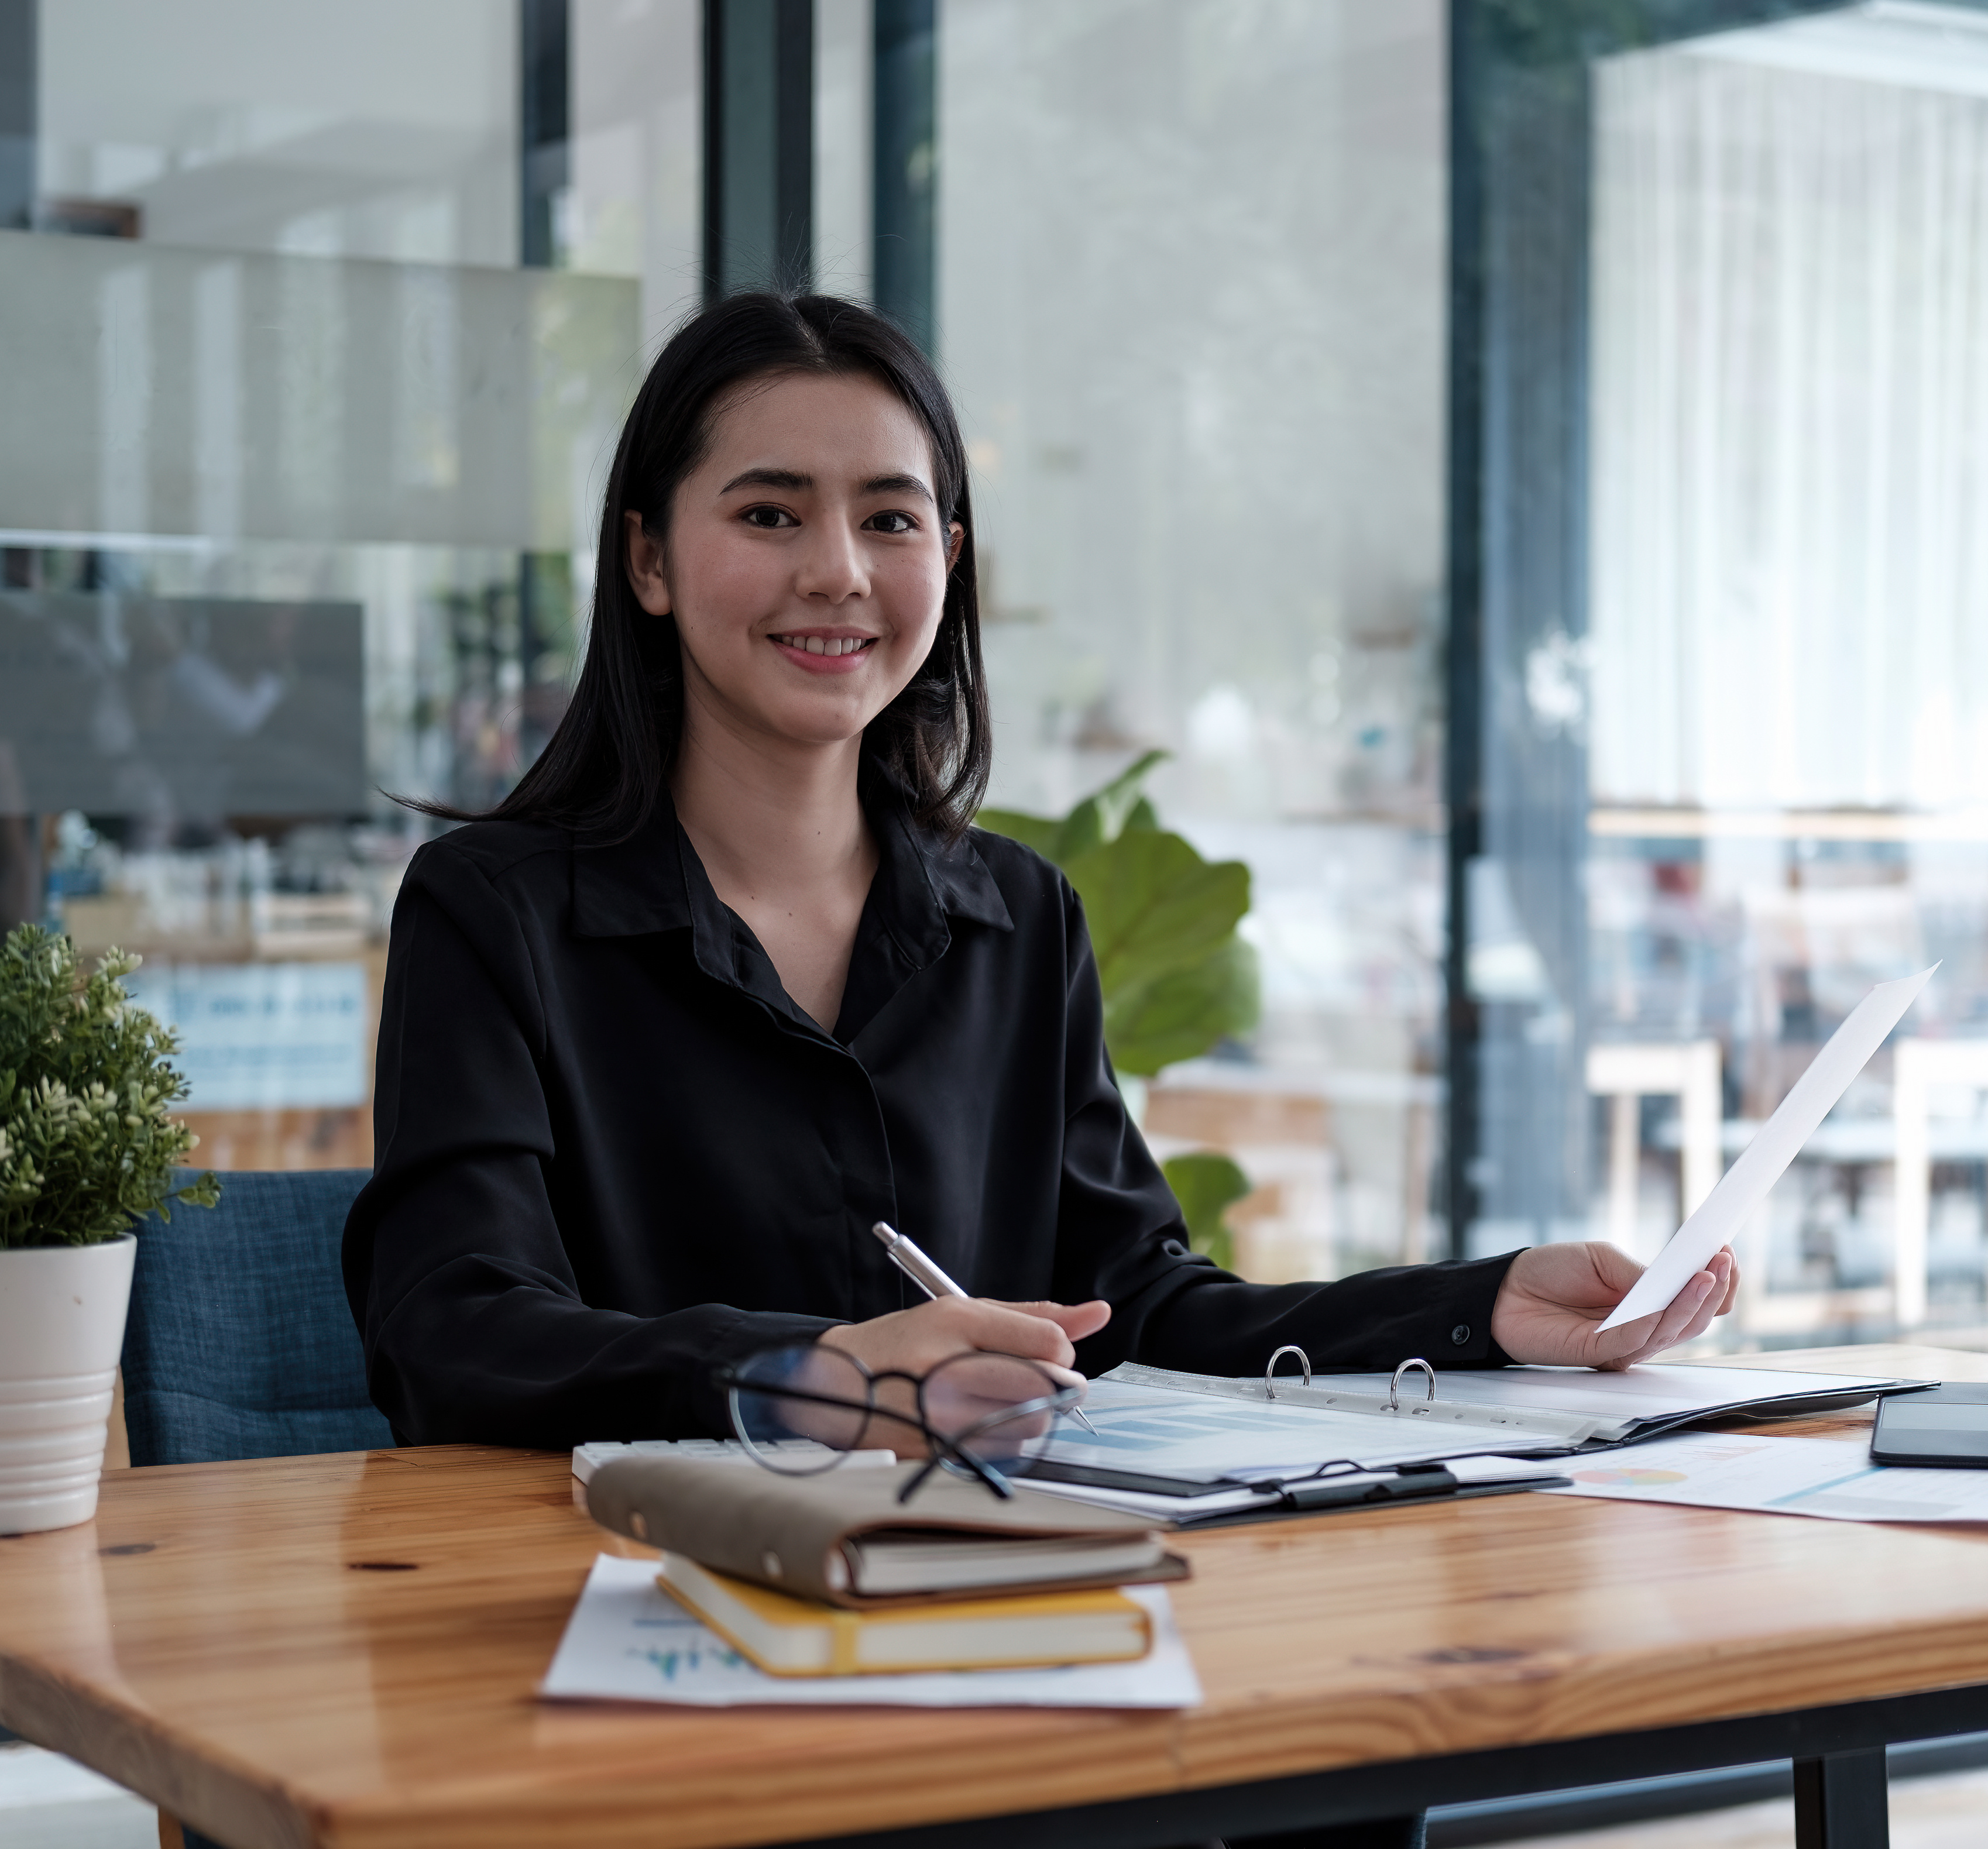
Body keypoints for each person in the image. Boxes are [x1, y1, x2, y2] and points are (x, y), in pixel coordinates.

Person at [341, 288, 1736, 1849]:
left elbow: (1139, 1307)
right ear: (650, 560)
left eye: (891, 519)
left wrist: (1481, 1311)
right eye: (769, 513)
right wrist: (814, 1377)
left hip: (1002, 1618)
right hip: (664, 1647)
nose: (838, 571)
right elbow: (453, 1327)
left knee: (1347, 1754)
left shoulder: (1017, 916)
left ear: (950, 559)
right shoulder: (497, 914)